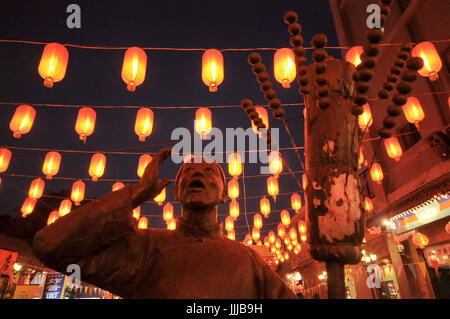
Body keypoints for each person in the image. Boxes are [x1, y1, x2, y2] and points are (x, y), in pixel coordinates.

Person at [33, 148, 297, 299]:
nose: (197, 174)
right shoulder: (143, 246)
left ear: (225, 194)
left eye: (208, 172)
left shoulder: (246, 259)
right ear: (175, 193)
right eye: (189, 171)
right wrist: (137, 193)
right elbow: (49, 245)